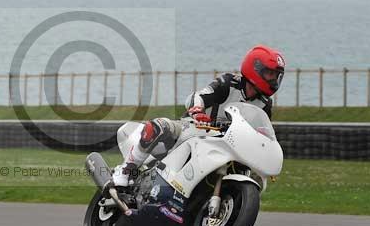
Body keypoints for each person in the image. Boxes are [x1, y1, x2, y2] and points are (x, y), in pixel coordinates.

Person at [111, 45, 285, 187]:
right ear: (255, 69)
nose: (273, 80)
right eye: (270, 74)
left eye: (276, 76)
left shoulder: (264, 104)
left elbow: (261, 132)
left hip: (229, 144)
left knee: (251, 175)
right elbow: (200, 95)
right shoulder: (228, 83)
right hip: (196, 128)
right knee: (159, 127)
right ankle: (126, 170)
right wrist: (197, 110)